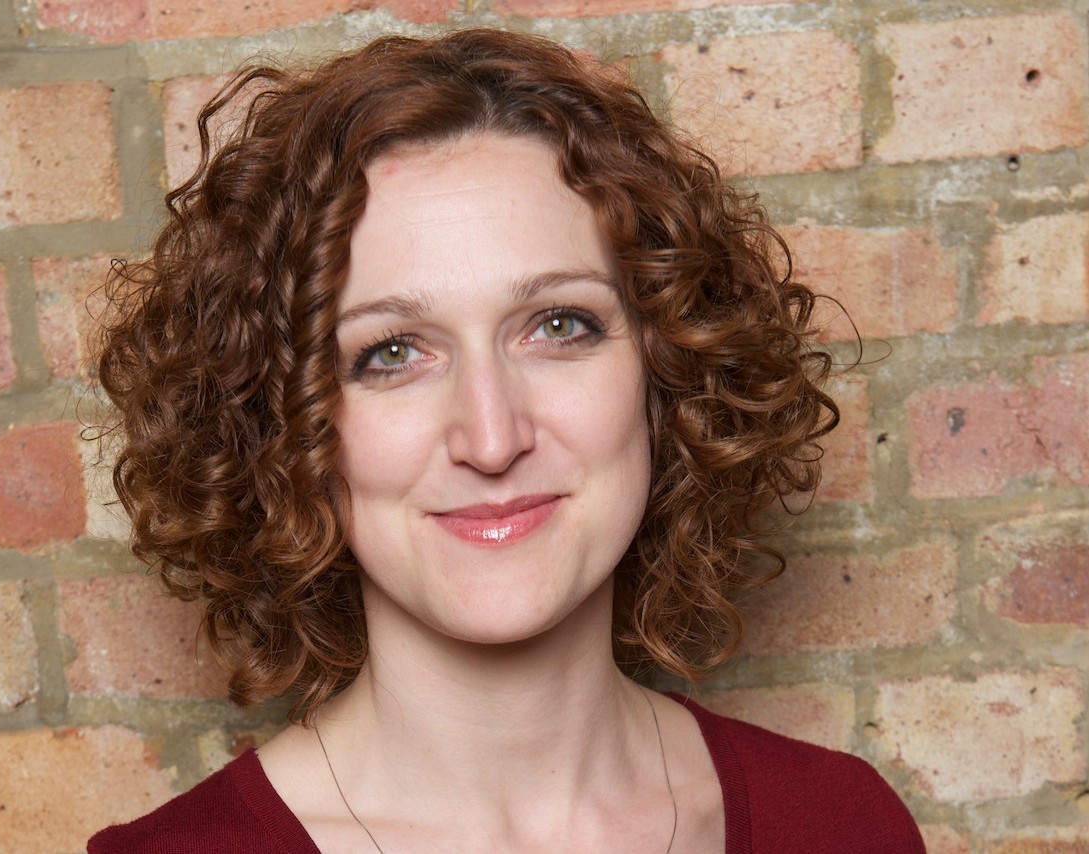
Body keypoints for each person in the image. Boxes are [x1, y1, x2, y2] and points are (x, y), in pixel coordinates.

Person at [89, 28, 925, 853]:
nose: (491, 439)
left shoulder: (841, 825)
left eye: (559, 326)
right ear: (279, 421)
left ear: (670, 368)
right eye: (390, 353)